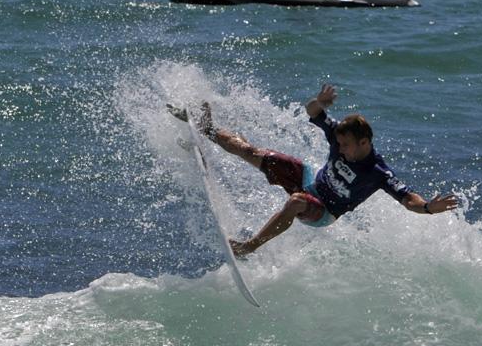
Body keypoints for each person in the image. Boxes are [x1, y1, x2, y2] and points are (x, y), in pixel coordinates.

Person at [171, 84, 458, 257]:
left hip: (324, 211)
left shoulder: (378, 172)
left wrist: (430, 208)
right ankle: (207, 129)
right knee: (254, 153)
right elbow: (313, 111)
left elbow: (409, 200)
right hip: (310, 180)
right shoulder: (338, 135)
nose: (340, 149)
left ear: (364, 142)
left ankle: (250, 246)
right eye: (339, 144)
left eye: (346, 146)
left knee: (296, 202)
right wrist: (319, 102)